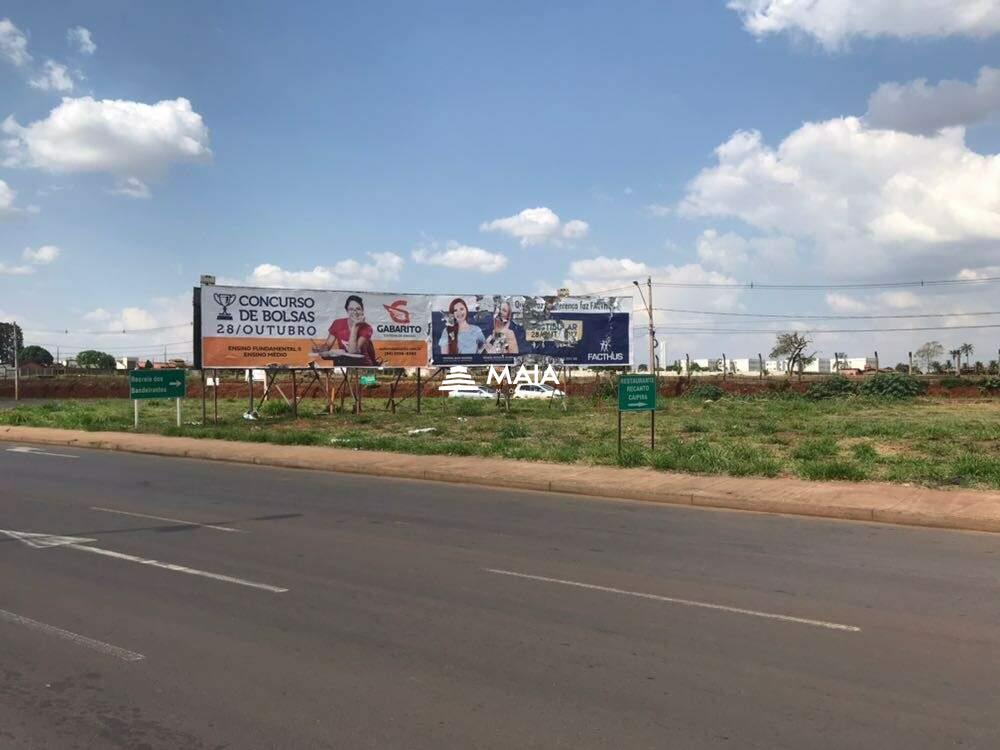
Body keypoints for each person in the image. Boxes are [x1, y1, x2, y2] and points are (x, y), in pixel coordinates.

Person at [313, 295, 380, 365]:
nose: (355, 312)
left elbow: (353, 351)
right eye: (351, 309)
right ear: (347, 311)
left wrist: (355, 326)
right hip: (343, 365)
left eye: (358, 309)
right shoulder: (337, 323)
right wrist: (321, 349)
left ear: (362, 311)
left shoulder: (367, 328)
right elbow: (328, 345)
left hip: (363, 366)